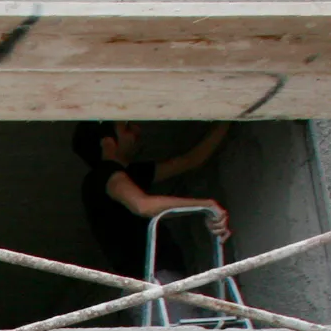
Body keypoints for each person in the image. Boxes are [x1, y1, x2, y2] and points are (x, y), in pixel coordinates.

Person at [71, 120, 231, 305]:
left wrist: (228, 121)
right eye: (127, 129)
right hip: (153, 282)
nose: (138, 130)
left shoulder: (129, 173)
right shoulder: (105, 173)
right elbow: (143, 205)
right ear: (108, 142)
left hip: (150, 282)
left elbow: (191, 160)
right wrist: (207, 205)